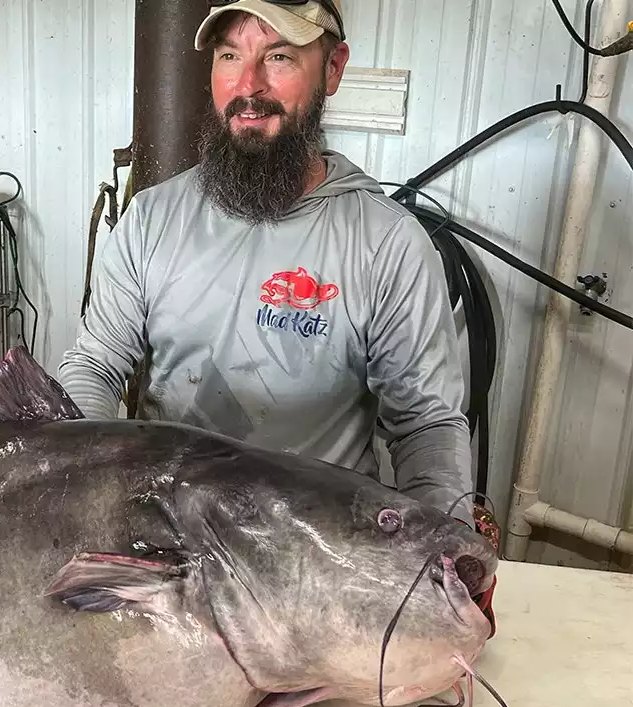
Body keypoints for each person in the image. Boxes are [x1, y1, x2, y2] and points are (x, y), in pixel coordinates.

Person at [57, 0, 476, 527]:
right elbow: (95, 365)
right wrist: (68, 488)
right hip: (169, 541)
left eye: (278, 58)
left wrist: (442, 553)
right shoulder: (151, 219)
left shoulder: (387, 244)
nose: (247, 87)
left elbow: (426, 425)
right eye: (230, 55)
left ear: (333, 68)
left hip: (310, 554)